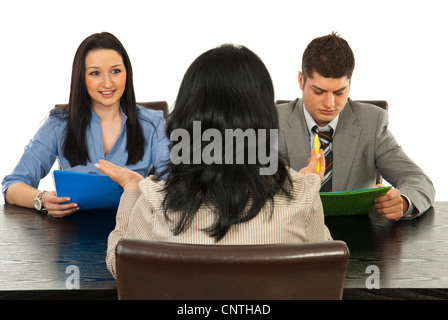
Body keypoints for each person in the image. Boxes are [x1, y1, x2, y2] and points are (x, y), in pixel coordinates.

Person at [96, 44, 332, 279]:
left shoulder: (152, 200)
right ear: (265, 118)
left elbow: (120, 267)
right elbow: (326, 269)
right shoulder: (304, 194)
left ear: (187, 117)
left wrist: (131, 190)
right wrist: (306, 181)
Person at [2, 32, 170, 218]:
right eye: (95, 73)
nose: (107, 83)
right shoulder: (58, 124)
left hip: (134, 230)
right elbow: (13, 185)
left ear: (127, 74)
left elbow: (176, 185)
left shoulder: (153, 123)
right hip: (71, 232)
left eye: (116, 71)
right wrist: (43, 199)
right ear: (81, 77)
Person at [277, 32, 435, 221]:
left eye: (339, 92)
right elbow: (248, 194)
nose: (330, 103)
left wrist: (403, 202)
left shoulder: (372, 123)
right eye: (319, 91)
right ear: (301, 80)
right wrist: (298, 185)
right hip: (291, 237)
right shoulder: (270, 120)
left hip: (358, 238)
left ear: (349, 85)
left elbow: (420, 181)